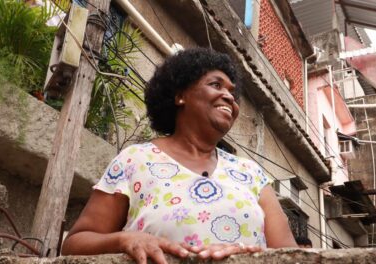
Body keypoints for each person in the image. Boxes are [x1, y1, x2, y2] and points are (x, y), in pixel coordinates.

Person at [61, 48, 298, 263]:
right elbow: (75, 244)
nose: (229, 97)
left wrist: (250, 254)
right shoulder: (135, 161)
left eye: (232, 92)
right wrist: (126, 239)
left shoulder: (251, 174)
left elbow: (291, 255)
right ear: (180, 96)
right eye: (216, 85)